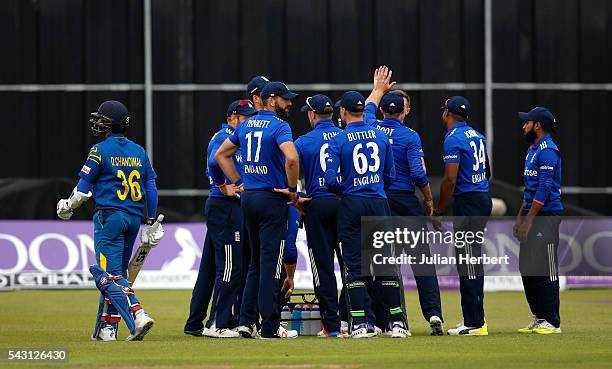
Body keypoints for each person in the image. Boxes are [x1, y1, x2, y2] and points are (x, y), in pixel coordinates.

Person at [56, 100, 163, 341]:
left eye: (100, 119)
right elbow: (151, 187)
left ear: (107, 123)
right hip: (134, 219)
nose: (96, 123)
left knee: (109, 277)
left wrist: (67, 206)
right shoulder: (139, 151)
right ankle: (108, 329)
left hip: (110, 218)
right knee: (118, 274)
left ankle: (138, 313)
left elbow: (83, 190)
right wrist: (151, 220)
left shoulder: (99, 149)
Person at [215, 81, 301, 339]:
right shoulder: (280, 125)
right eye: (285, 100)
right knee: (268, 263)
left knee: (254, 263)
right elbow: (292, 157)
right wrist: (293, 189)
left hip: (249, 198)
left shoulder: (246, 124)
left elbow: (221, 155)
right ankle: (270, 326)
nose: (289, 104)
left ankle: (245, 321)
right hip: (272, 198)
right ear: (272, 100)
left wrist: (239, 182)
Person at [363, 66, 444, 335]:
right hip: (406, 201)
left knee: (382, 262)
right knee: (421, 260)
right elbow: (419, 173)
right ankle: (433, 314)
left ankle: (388, 319)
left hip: (381, 200)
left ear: (383, 110)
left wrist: (377, 89)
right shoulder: (410, 136)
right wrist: (429, 200)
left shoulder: (370, 128)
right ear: (404, 111)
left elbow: (365, 111)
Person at [324, 90, 409, 339]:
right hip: (379, 204)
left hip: (352, 203)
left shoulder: (338, 139)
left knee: (354, 265)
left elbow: (330, 180)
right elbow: (391, 176)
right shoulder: (381, 136)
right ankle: (397, 323)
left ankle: (360, 324)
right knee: (385, 265)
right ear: (363, 111)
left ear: (343, 112)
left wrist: (348, 188)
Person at [184, 99, 257, 338]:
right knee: (229, 267)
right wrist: (225, 185)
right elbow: (215, 161)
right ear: (232, 118)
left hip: (227, 207)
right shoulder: (226, 135)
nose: (250, 121)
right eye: (245, 117)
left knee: (215, 267)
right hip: (224, 206)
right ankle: (217, 323)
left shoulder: (236, 135)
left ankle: (199, 321)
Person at [433, 96, 492, 336]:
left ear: (448, 113)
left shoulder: (453, 138)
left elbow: (450, 180)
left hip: (468, 202)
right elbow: (487, 172)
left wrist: (440, 209)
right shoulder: (478, 135)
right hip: (481, 198)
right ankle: (475, 318)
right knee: (471, 260)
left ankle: (475, 323)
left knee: (467, 261)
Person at [293, 94, 343, 337]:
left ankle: (331, 327)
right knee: (351, 266)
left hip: (317, 204)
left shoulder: (303, 141)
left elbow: (288, 167)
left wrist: (296, 197)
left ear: (312, 114)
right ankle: (355, 322)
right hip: (345, 204)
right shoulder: (345, 136)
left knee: (322, 268)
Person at [514, 107, 563, 334]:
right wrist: (520, 218)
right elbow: (530, 190)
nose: (523, 125)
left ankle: (552, 321)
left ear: (538, 126)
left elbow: (543, 189)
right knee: (528, 267)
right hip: (533, 214)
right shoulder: (532, 149)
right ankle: (540, 316)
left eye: (527, 122)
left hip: (547, 216)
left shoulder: (548, 151)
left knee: (546, 267)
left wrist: (530, 220)